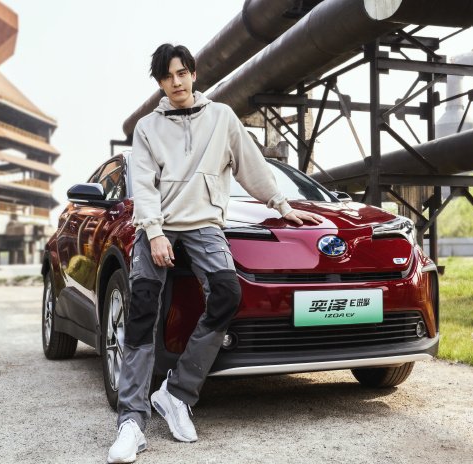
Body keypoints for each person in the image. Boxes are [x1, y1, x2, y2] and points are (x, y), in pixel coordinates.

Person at [107, 43, 323, 463]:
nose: (177, 82)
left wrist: (282, 206)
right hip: (160, 225)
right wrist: (154, 232)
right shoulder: (148, 128)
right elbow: (145, 187)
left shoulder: (222, 117)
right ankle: (131, 421)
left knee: (227, 294)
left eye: (182, 73)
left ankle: (177, 393)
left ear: (193, 74)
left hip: (205, 224)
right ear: (160, 83)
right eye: (168, 76)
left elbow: (251, 166)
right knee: (142, 309)